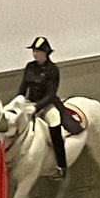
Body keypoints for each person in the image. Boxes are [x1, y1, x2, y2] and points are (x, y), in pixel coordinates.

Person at [17, 37, 83, 179]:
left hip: (47, 104)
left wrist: (37, 107)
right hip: (30, 103)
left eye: (38, 51)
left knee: (54, 122)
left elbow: (51, 93)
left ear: (45, 53)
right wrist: (19, 103)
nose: (35, 54)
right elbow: (23, 88)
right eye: (34, 51)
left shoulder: (53, 70)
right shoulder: (30, 67)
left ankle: (61, 166)